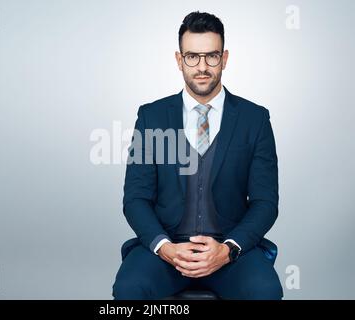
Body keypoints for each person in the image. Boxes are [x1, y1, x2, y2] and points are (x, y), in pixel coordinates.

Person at [112, 11, 283, 300]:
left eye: (211, 56)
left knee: (265, 291)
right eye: (192, 57)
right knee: (130, 289)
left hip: (230, 252)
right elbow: (135, 198)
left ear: (224, 58)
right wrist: (165, 248)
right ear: (179, 60)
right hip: (167, 250)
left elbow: (265, 203)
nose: (202, 67)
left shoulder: (255, 119)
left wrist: (228, 249)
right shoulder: (151, 117)